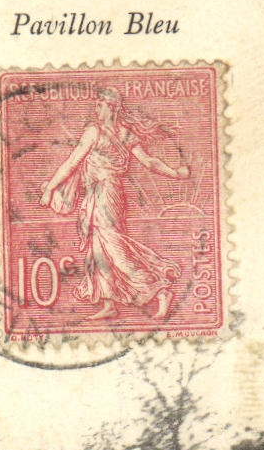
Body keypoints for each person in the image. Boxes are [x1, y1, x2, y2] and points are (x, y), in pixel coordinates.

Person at [40, 86, 191, 322]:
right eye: (96, 104)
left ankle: (161, 291)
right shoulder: (122, 133)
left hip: (106, 194)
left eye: (101, 104)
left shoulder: (96, 132)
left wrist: (50, 188)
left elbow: (73, 162)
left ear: (112, 107)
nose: (96, 108)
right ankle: (109, 303)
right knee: (98, 249)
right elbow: (149, 161)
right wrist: (177, 172)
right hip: (101, 194)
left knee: (114, 248)